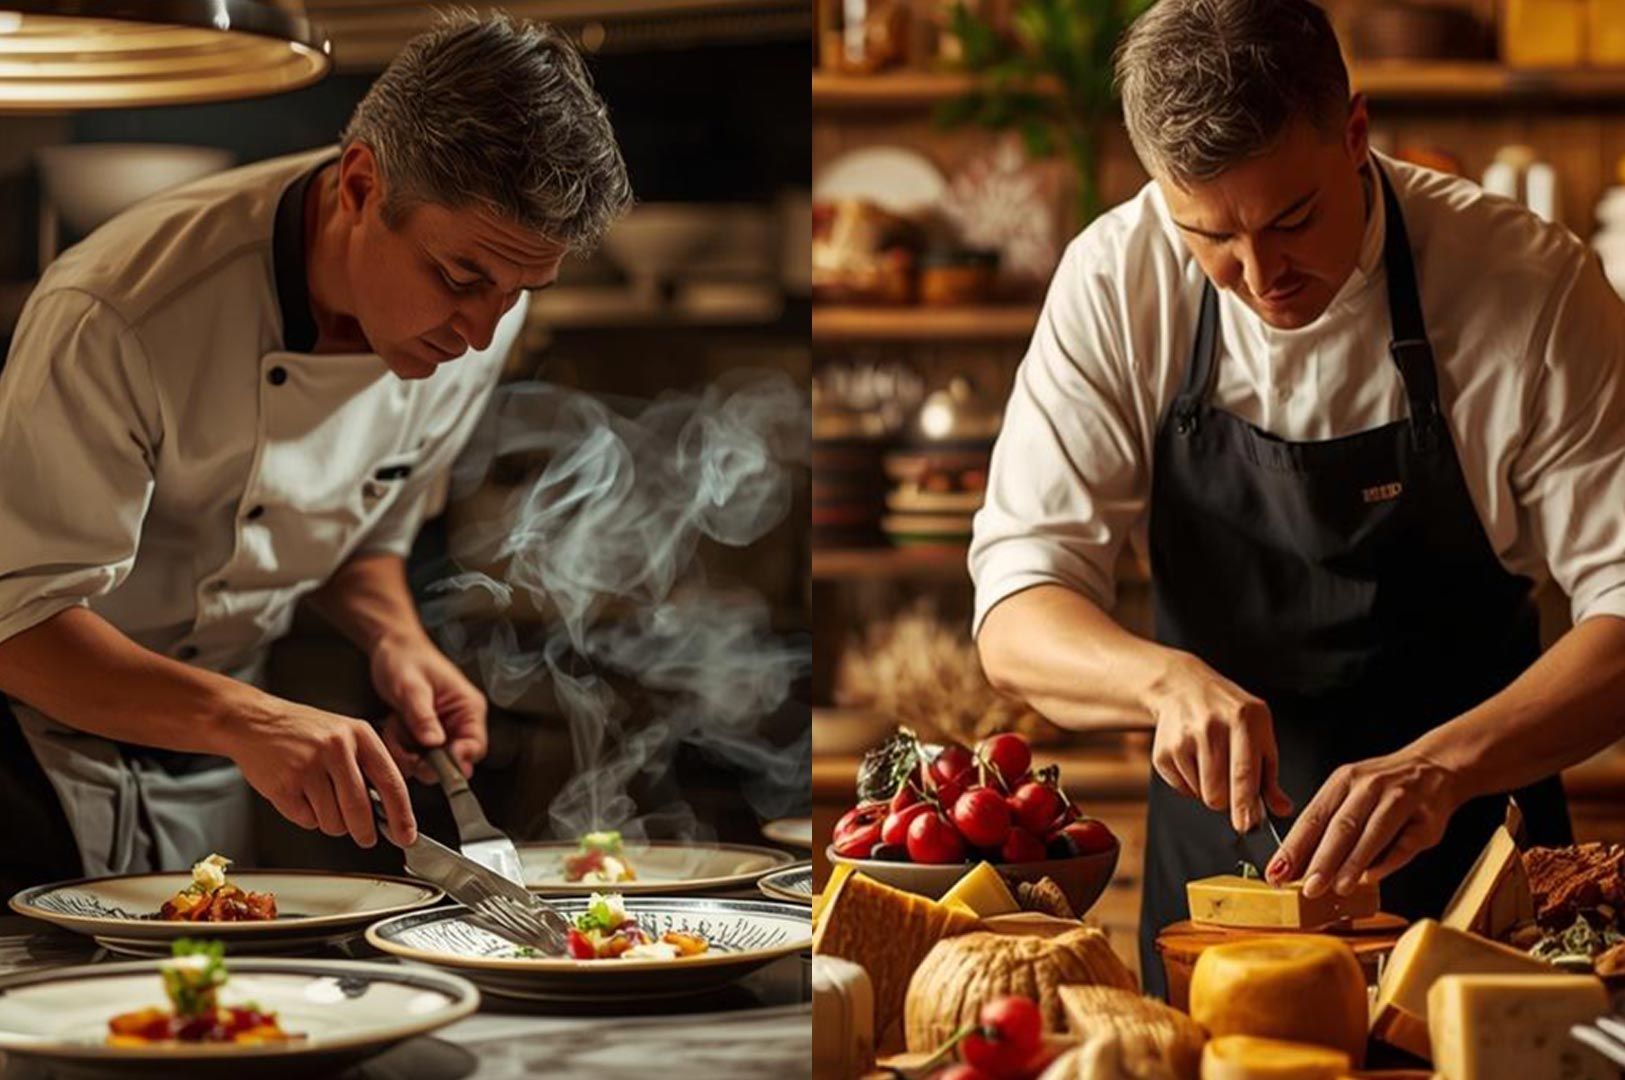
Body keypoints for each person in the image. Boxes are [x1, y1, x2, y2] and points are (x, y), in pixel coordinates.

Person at [970, 0, 1625, 996]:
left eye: (1290, 219)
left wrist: (1440, 768)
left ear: (1355, 132)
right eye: (1208, 237)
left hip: (1478, 884)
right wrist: (1160, 684)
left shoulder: (1528, 287)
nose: (1259, 274)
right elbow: (1017, 607)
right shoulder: (1112, 282)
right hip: (1221, 893)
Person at [0, 12, 632, 894]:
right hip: (27, 763)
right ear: (362, 184)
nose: (485, 334)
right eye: (459, 281)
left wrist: (396, 640)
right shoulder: (118, 314)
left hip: (215, 760)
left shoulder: (482, 297)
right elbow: (18, 626)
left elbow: (357, 531)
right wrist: (251, 719)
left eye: (519, 292)